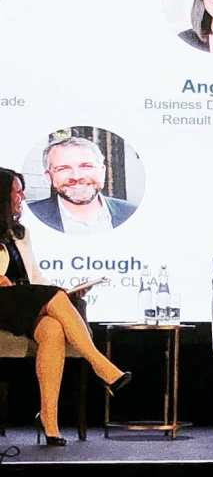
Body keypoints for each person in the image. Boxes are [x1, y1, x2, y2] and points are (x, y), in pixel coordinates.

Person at [0, 167, 132, 446]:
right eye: (16, 192)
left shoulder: (20, 233)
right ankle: (102, 367)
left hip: (21, 303)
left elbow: (35, 278)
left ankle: (49, 420)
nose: (21, 198)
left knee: (52, 329)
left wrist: (67, 291)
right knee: (54, 299)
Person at [27, 137, 137, 234]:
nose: (76, 176)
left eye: (86, 166)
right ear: (48, 176)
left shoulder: (131, 212)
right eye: (63, 169)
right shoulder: (28, 217)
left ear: (102, 171)